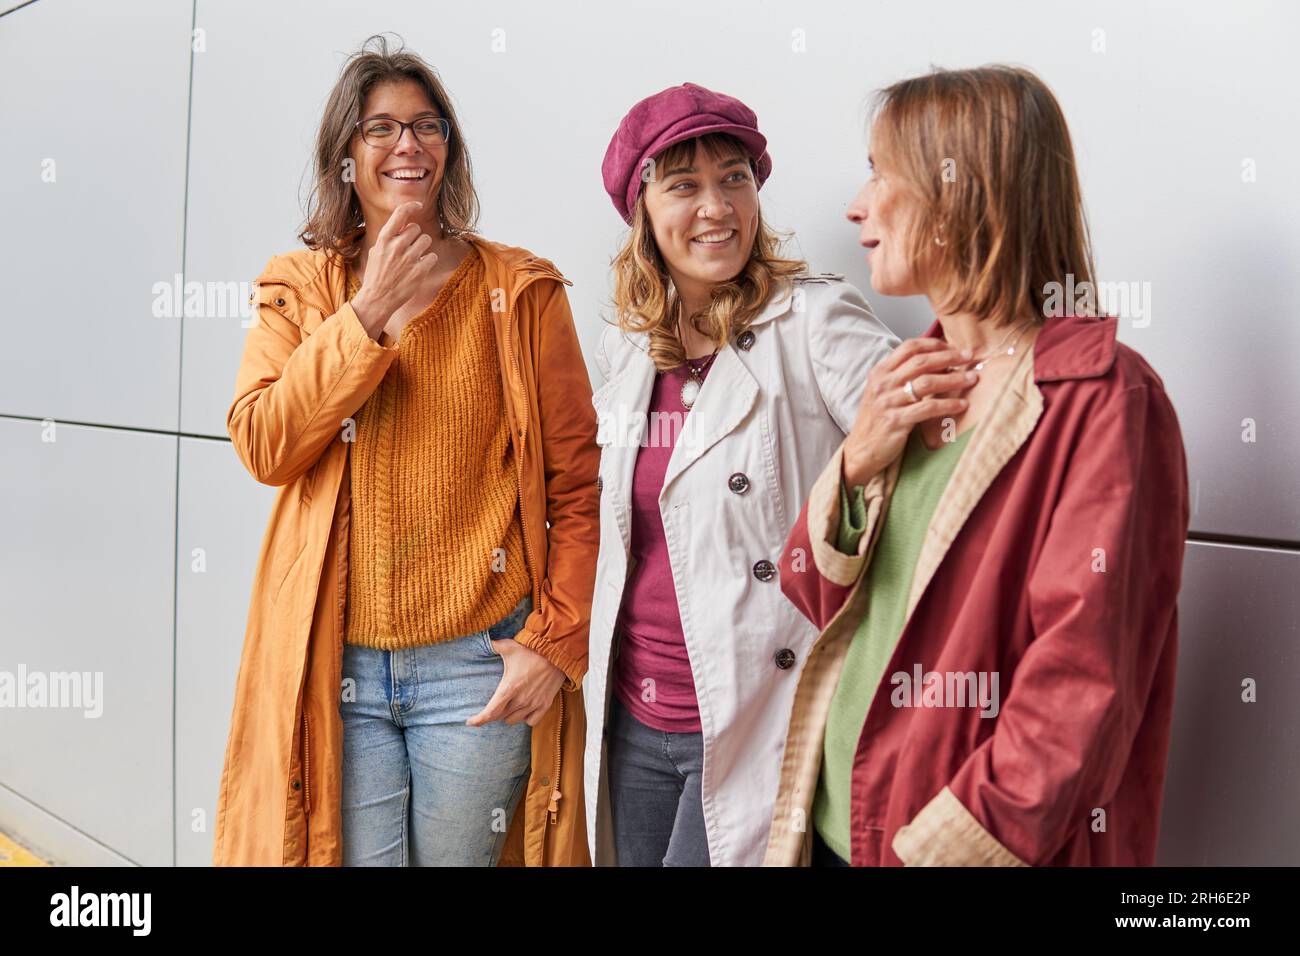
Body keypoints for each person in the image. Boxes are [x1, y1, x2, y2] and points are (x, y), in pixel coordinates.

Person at [767, 65, 1190, 867]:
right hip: (827, 829)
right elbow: (810, 593)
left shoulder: (1105, 401)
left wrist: (942, 849)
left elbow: (1079, 697)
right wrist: (856, 461)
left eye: (878, 173)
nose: (856, 205)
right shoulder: (908, 377)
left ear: (961, 192)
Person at [213, 35, 598, 867]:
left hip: (477, 665)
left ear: (449, 149)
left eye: (428, 127)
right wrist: (369, 313)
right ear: (346, 155)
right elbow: (265, 443)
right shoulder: (304, 285)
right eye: (381, 128)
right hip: (339, 670)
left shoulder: (522, 292)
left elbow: (575, 486)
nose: (408, 146)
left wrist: (555, 644)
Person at [585, 82, 899, 866]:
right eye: (684, 185)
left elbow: (929, 474)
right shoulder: (625, 349)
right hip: (633, 717)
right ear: (642, 210)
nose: (716, 207)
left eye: (735, 178)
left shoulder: (813, 320)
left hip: (756, 715)